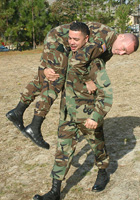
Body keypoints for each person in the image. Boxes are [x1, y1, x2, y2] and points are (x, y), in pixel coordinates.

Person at [32, 22, 139, 200]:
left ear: (86, 39)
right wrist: (45, 69)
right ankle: (55, 191)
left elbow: (106, 94)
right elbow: (52, 66)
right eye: (72, 39)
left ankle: (103, 172)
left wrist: (96, 117)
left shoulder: (95, 61)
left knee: (97, 147)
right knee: (63, 150)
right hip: (68, 112)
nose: (72, 42)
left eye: (124, 53)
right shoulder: (67, 56)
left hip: (88, 114)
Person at [6, 21, 139, 150]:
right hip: (58, 40)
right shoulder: (101, 41)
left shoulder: (110, 45)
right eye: (123, 48)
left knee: (44, 77)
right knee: (55, 79)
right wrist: (87, 80)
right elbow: (77, 62)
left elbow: (94, 63)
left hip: (63, 42)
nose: (121, 53)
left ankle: (18, 111)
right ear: (121, 36)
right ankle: (34, 126)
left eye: (125, 53)